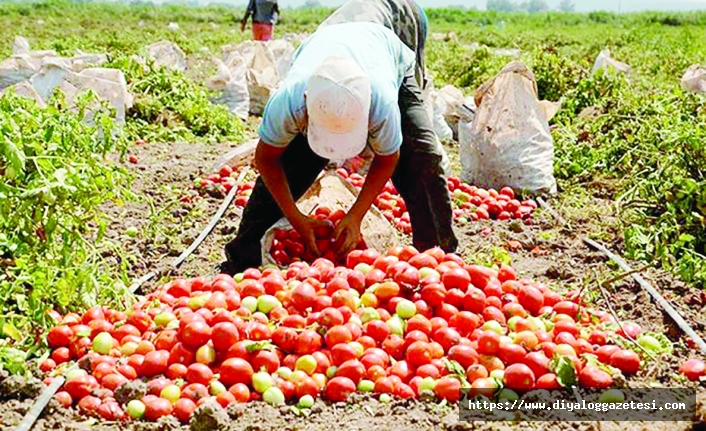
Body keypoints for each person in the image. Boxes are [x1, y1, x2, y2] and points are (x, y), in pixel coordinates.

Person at [221, 12, 457, 275]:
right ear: (308, 108)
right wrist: (296, 219)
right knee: (293, 164)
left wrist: (356, 215)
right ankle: (245, 258)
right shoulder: (288, 101)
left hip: (384, 54)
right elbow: (266, 159)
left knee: (421, 157)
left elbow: (388, 158)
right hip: (323, 53)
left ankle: (436, 258)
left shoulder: (382, 101)